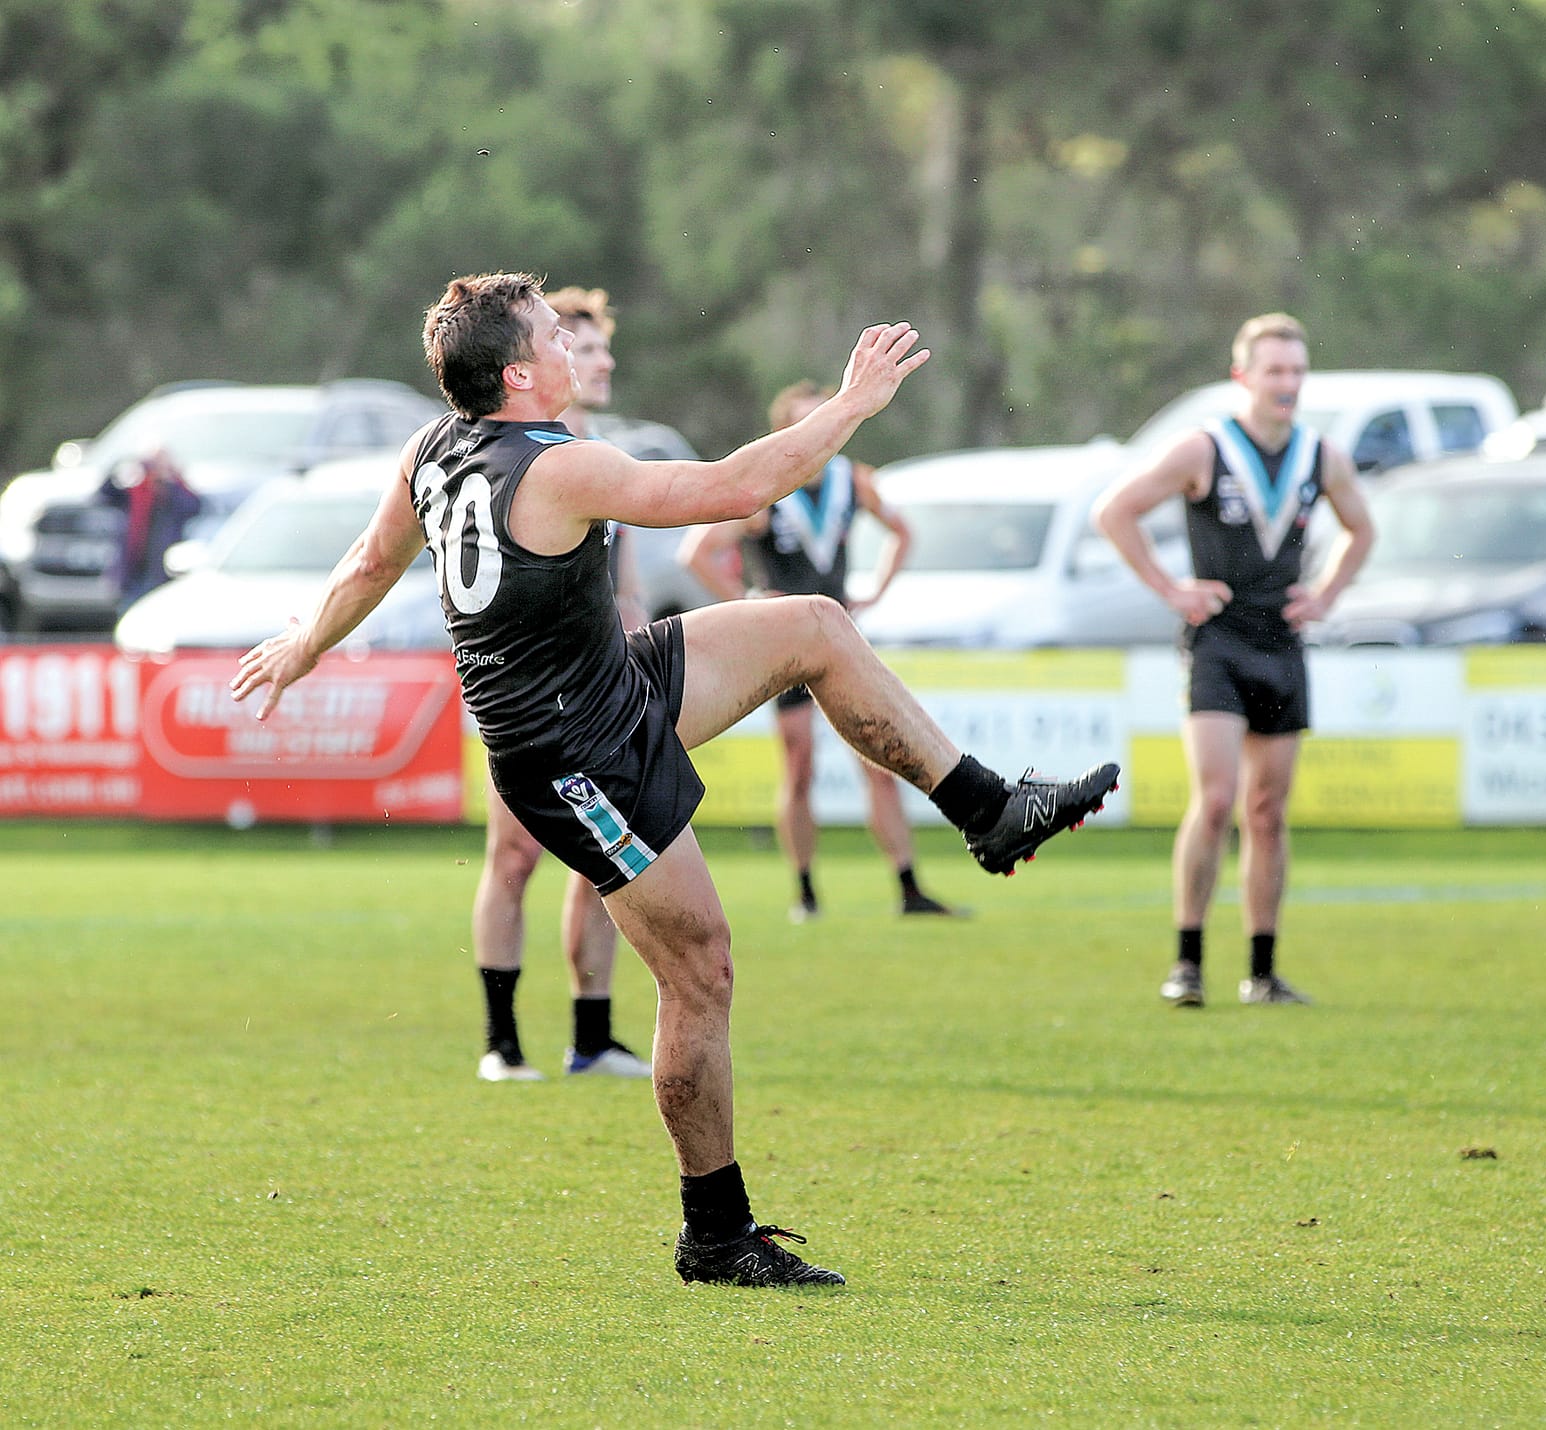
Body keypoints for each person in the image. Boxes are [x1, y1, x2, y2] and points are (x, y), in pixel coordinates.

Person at [231, 272, 1119, 1288]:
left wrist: (303, 644)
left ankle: (988, 809)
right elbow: (737, 489)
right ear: (518, 373)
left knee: (814, 625)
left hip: (608, 685)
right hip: (572, 754)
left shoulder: (431, 450)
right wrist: (851, 406)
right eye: (553, 335)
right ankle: (715, 1232)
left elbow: (365, 561)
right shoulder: (559, 467)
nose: (573, 345)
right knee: (701, 970)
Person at [1091, 312, 1373, 1009]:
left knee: (1268, 812)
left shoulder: (1320, 456)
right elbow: (1114, 512)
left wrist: (1327, 593)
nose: (1288, 384)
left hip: (1282, 644)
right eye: (1275, 371)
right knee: (1215, 801)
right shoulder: (1204, 450)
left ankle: (1263, 971)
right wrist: (1170, 589)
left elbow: (1362, 529)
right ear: (1242, 376)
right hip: (1217, 642)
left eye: (1297, 372)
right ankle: (1187, 961)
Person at [679, 380, 959, 923]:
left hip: (842, 640)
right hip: (787, 649)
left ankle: (908, 887)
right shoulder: (767, 491)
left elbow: (903, 532)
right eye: (805, 423)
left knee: (881, 758)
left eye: (823, 419)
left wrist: (874, 591)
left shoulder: (850, 480)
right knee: (801, 764)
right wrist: (749, 603)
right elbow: (699, 553)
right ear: (787, 433)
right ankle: (805, 892)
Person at [470, 285, 650, 1084]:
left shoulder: (600, 455)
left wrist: (638, 660)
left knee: (602, 859)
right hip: (525, 695)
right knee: (512, 858)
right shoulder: (517, 452)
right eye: (584, 343)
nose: (601, 358)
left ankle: (592, 1037)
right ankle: (502, 1045)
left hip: (598, 689)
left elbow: (627, 584)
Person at [98, 450, 201, 613]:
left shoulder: (174, 491)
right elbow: (104, 494)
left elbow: (193, 506)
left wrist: (172, 479)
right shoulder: (134, 489)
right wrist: (122, 469)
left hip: (163, 571)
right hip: (134, 571)